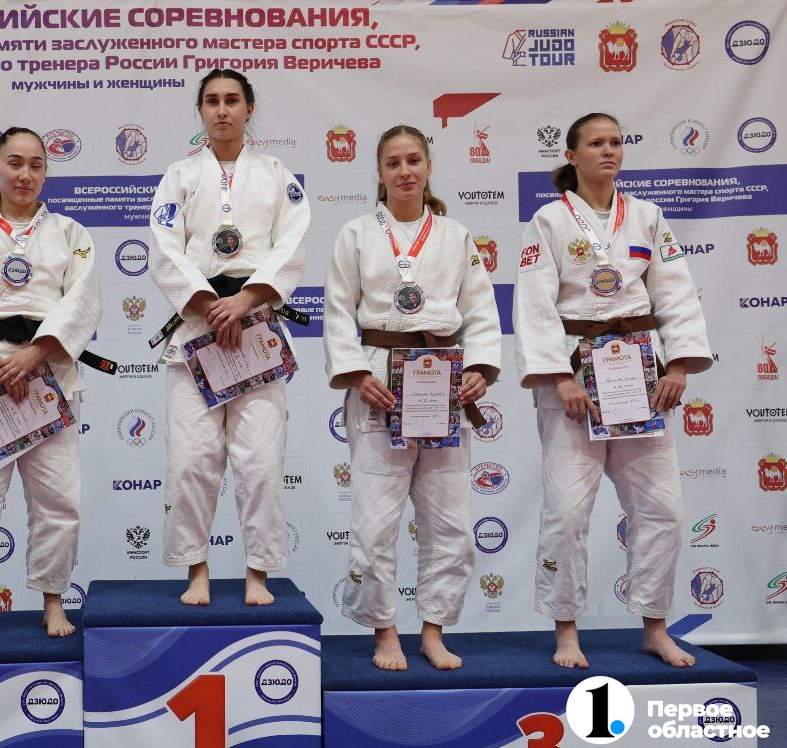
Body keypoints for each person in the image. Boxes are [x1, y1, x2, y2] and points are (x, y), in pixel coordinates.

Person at [513, 112, 712, 669]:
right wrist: (559, 377)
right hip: (575, 379)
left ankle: (655, 625)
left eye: (616, 142)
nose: (609, 151)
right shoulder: (549, 221)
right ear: (572, 155)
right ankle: (566, 631)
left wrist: (678, 367)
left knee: (663, 508)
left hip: (640, 378)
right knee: (567, 512)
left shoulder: (647, 216)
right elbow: (534, 304)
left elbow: (675, 293)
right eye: (596, 143)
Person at [324, 125, 502, 671]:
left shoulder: (456, 235)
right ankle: (384, 632)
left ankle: (433, 630)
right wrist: (357, 374)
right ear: (380, 173)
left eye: (413, 161)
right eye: (394, 163)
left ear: (428, 167)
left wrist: (480, 368)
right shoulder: (356, 234)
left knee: (450, 520)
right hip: (380, 381)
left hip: (443, 381)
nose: (405, 171)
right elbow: (338, 310)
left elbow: (481, 311)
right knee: (376, 522)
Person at [148, 69, 310, 606]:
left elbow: (291, 243)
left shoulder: (276, 174)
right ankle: (196, 569)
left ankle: (257, 571)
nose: (222, 110)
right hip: (198, 330)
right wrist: (208, 305)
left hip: (255, 327)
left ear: (249, 108)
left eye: (233, 100)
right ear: (201, 111)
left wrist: (244, 301)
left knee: (259, 463)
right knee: (192, 461)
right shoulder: (179, 175)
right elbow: (164, 248)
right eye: (213, 101)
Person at [0, 126, 102, 645]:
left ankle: (53, 600)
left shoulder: (71, 233)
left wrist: (33, 354)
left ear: (45, 172)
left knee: (59, 500)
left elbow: (82, 302)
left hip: (47, 376)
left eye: (35, 165)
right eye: (14, 163)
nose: (24, 174)